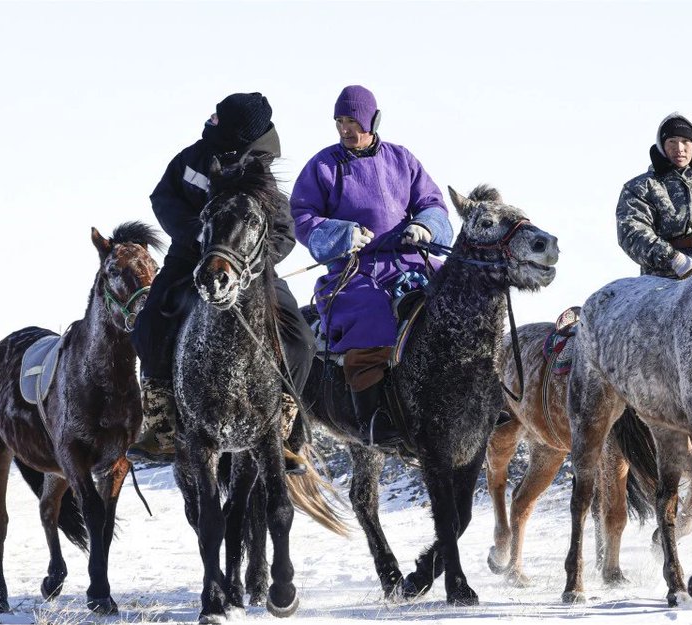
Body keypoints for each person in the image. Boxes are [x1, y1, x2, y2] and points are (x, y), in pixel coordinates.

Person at [127, 93, 316, 469]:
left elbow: (284, 232)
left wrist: (250, 262)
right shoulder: (193, 157)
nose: (211, 119)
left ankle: (285, 429)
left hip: (250, 271)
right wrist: (199, 236)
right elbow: (162, 198)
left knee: (301, 339)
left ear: (237, 130)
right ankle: (161, 424)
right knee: (150, 322)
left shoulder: (262, 175)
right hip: (187, 259)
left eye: (219, 117)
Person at [290, 85, 453, 447]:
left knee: (461, 294)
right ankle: (373, 415)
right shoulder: (322, 166)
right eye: (339, 122)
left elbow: (432, 201)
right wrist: (339, 234)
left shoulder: (402, 159)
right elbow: (301, 216)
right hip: (355, 269)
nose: (345, 129)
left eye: (352, 121)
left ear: (372, 120)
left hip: (409, 259)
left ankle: (482, 394)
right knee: (370, 313)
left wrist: (424, 225)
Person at [616, 113, 692, 278]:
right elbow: (632, 233)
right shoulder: (640, 187)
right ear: (661, 146)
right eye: (672, 142)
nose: (679, 149)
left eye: (685, 141)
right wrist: (674, 259)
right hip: (663, 279)